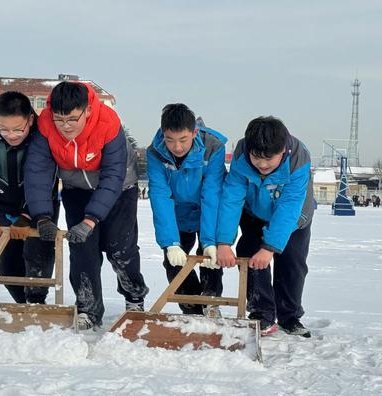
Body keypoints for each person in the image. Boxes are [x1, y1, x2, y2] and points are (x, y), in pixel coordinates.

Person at [24, 81, 148, 330]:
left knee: (119, 249)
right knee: (82, 251)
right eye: (60, 119)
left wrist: (91, 219)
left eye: (72, 119)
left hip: (119, 189)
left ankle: (134, 297)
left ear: (87, 111)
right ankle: (88, 309)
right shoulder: (46, 125)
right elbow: (38, 171)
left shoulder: (108, 123)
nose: (65, 126)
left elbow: (113, 175)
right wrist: (42, 216)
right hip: (76, 189)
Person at [216, 116, 314, 337]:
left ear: (283, 151)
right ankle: (262, 313)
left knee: (291, 263)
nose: (262, 165)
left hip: (294, 218)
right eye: (256, 157)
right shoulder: (242, 155)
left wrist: (269, 248)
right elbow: (232, 199)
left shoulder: (299, 158)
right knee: (250, 254)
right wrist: (223, 242)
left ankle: (290, 317)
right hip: (254, 213)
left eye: (269, 159)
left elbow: (290, 207)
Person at [0, 91, 59, 304]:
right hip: (1, 205)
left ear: (30, 120)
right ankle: (21, 304)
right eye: (4, 129)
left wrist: (27, 213)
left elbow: (44, 176)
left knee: (37, 259)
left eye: (18, 129)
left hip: (39, 204)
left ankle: (36, 303)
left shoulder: (40, 135)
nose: (11, 135)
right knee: (6, 264)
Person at [146, 104, 227, 315]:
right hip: (177, 214)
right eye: (170, 140)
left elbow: (212, 194)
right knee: (173, 261)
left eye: (183, 140)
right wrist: (170, 243)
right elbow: (160, 196)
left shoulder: (213, 147)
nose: (177, 147)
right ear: (164, 134)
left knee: (210, 259)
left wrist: (210, 241)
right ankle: (191, 309)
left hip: (206, 212)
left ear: (194, 132)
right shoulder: (155, 152)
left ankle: (211, 303)